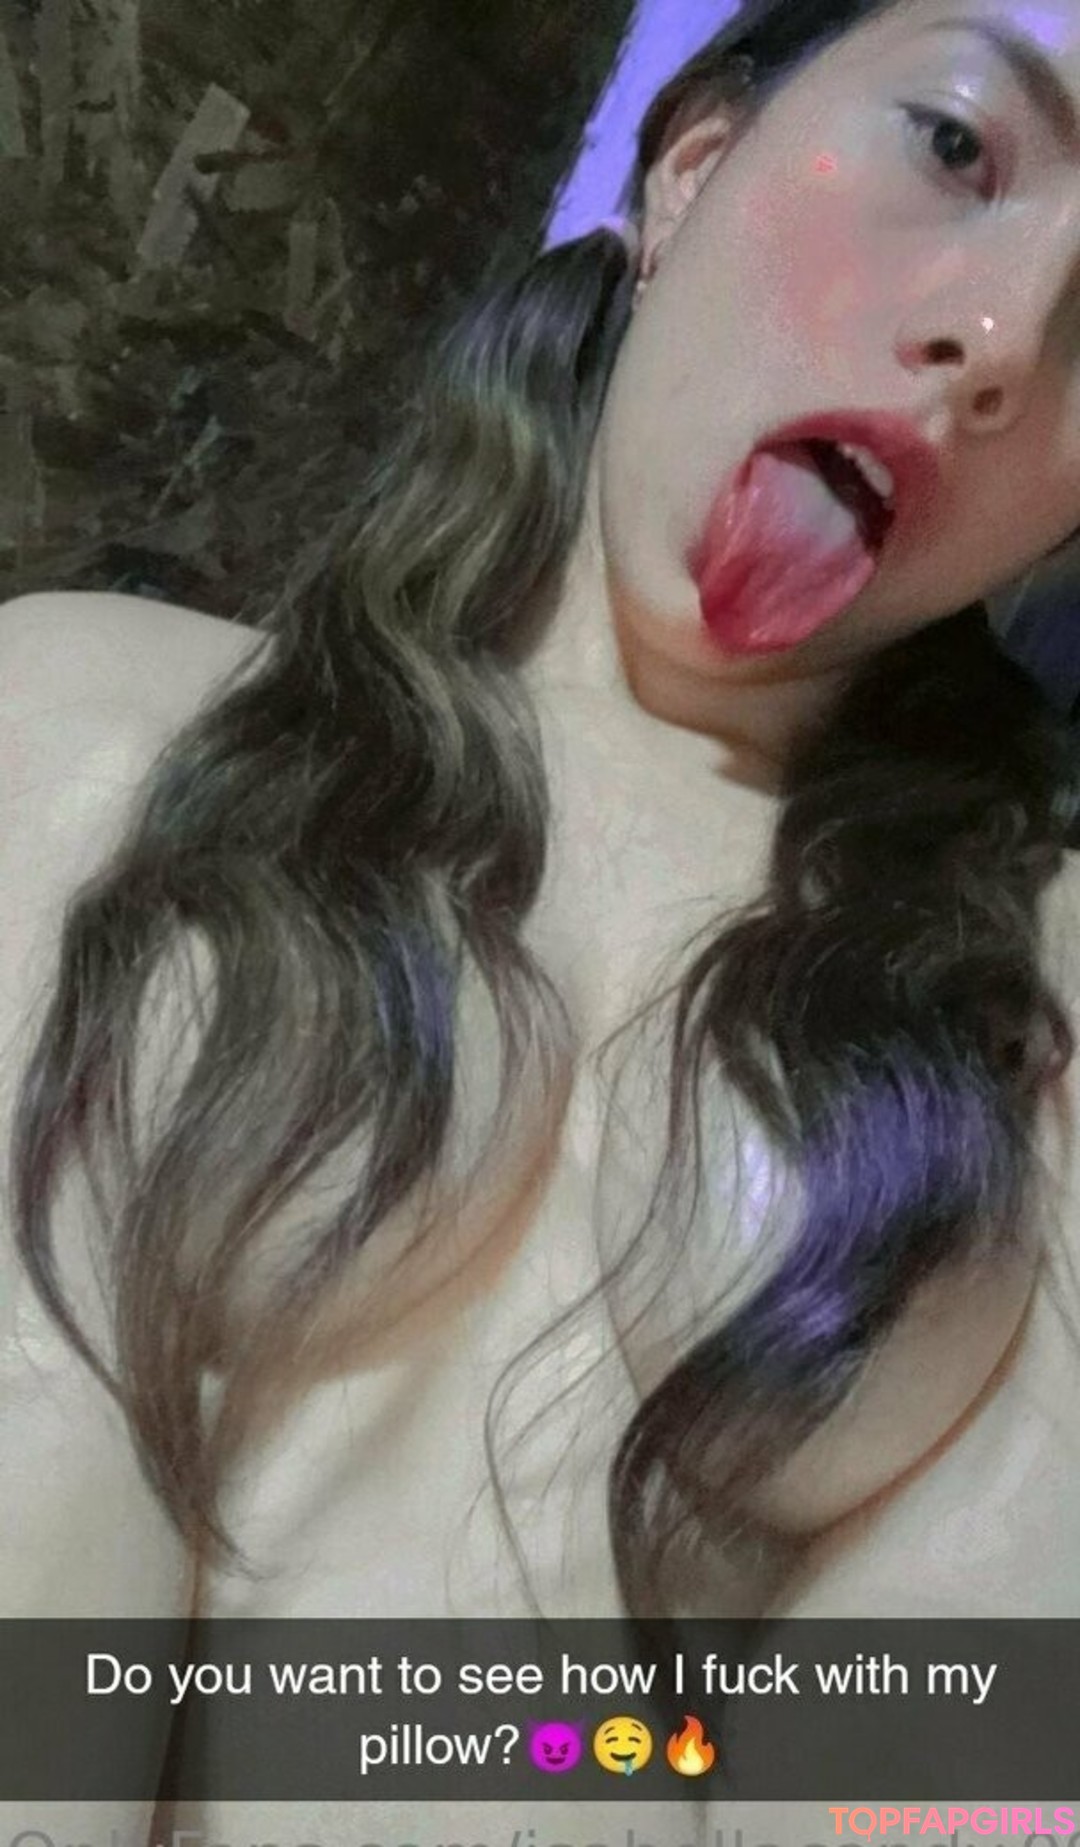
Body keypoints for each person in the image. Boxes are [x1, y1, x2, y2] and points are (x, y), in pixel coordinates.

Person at [3, 0, 1080, 1838]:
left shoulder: (1039, 993)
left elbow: (952, 1741)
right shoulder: (93, 729)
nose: (995, 343)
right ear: (693, 168)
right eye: (956, 148)